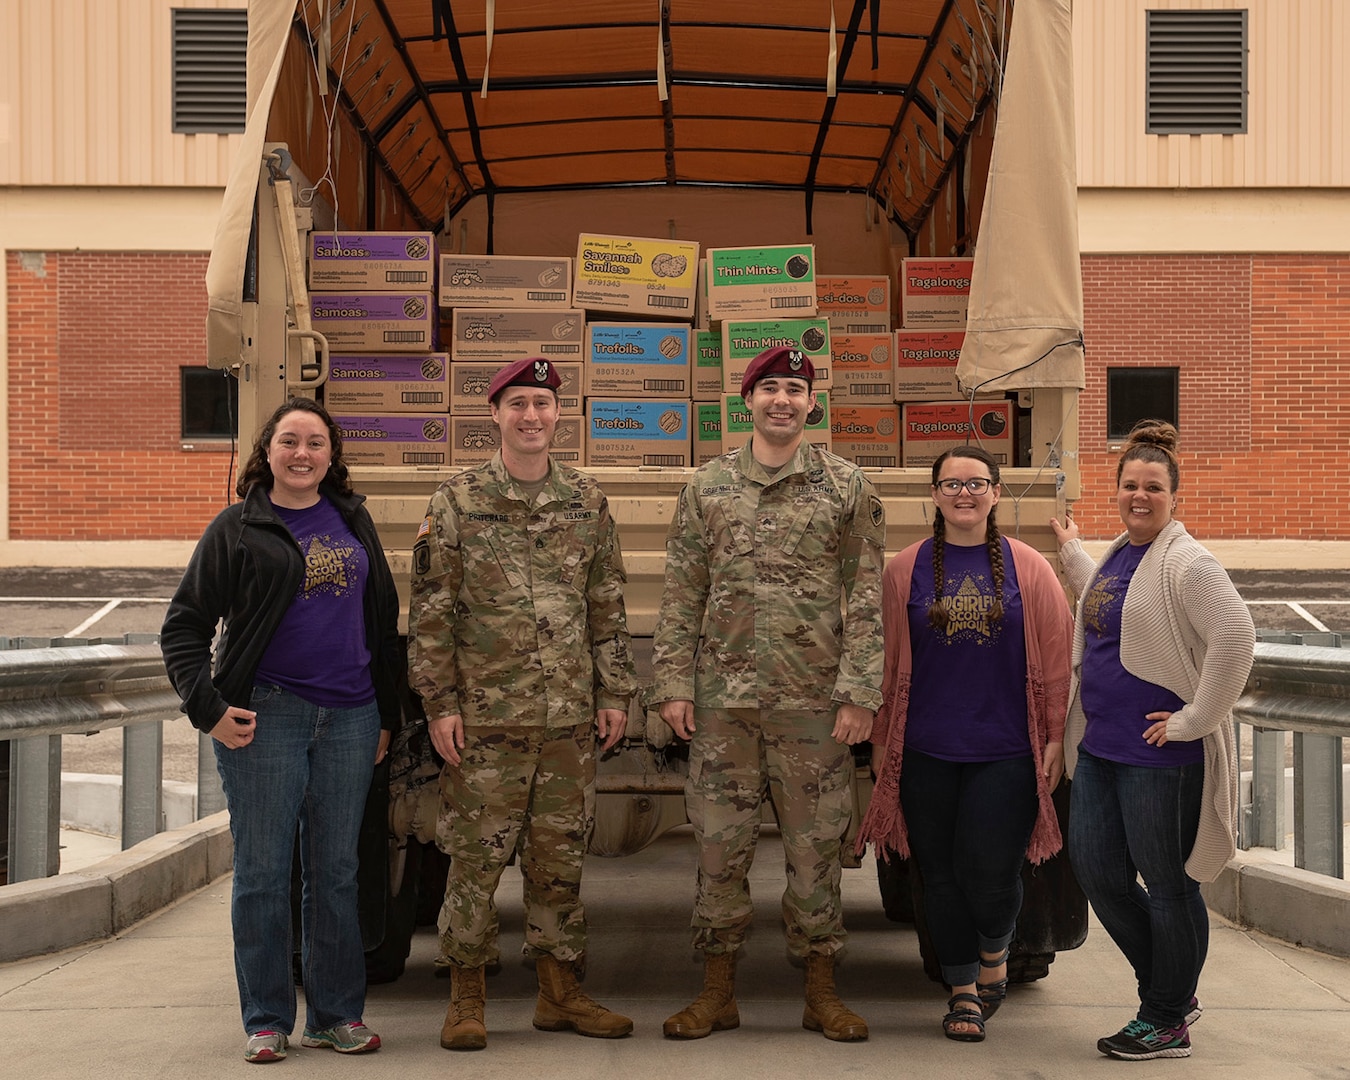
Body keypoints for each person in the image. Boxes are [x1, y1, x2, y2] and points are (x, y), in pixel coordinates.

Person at [650, 345, 886, 1042]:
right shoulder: (708, 487)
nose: (782, 399)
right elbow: (682, 592)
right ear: (746, 401)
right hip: (724, 704)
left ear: (812, 405)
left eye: (795, 389)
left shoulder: (847, 487)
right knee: (719, 852)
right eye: (769, 389)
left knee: (816, 851)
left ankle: (821, 992)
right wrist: (672, 685)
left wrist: (859, 693)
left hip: (814, 704)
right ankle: (717, 991)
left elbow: (866, 595)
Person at [161, 397, 401, 1063]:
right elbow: (184, 625)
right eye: (290, 441)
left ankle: (335, 1015)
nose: (303, 454)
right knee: (264, 872)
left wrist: (387, 711)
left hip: (351, 717)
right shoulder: (238, 527)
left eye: (316, 443)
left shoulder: (353, 518)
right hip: (268, 716)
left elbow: (382, 620)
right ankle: (266, 1019)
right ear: (265, 453)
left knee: (336, 871)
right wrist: (207, 707)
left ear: (332, 456)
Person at [408, 356, 638, 1051]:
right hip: (485, 719)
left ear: (558, 415)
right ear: (496, 414)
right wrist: (440, 704)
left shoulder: (587, 500)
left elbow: (606, 604)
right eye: (518, 405)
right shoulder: (457, 500)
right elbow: (431, 611)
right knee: (475, 859)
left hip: (569, 717)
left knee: (559, 860)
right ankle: (466, 996)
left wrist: (615, 691)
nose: (531, 416)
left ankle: (559, 993)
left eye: (542, 403)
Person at [1049, 419, 1254, 1061]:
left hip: (1160, 758)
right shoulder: (1121, 554)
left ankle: (1165, 1014)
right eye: (1130, 486)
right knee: (1098, 871)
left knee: (1168, 884)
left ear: (1175, 498)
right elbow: (1112, 604)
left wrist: (1193, 719)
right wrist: (1074, 552)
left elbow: (1237, 638)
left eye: (1154, 488)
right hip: (1103, 748)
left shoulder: (1189, 562)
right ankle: (1171, 987)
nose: (1140, 496)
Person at [856, 445, 1074, 1042]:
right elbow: (882, 664)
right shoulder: (904, 569)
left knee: (990, 872)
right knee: (941, 875)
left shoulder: (1030, 568)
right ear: (935, 495)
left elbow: (1057, 663)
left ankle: (994, 960)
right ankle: (961, 991)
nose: (964, 494)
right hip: (924, 750)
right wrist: (881, 740)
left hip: (1006, 751)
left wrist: (1055, 737)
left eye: (977, 483)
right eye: (951, 484)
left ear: (996, 494)